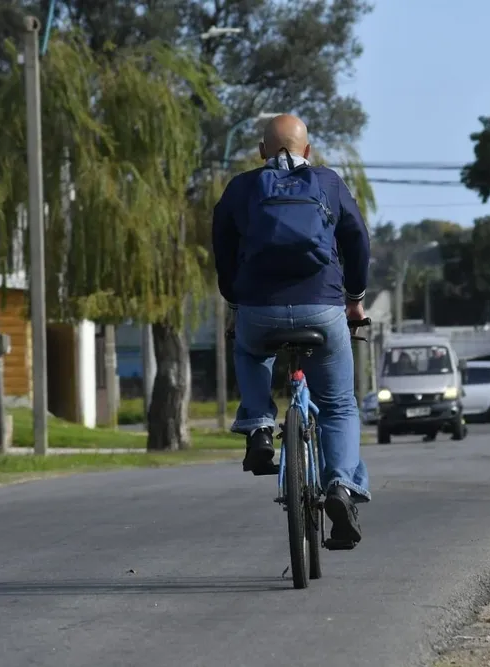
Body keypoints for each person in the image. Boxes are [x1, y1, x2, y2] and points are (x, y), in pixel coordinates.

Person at [211, 113, 371, 546]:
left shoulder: (243, 188)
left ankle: (260, 426)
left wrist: (235, 298)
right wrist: (354, 299)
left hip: (258, 308)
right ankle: (341, 487)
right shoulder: (328, 182)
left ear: (262, 152)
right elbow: (357, 239)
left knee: (248, 351)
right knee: (338, 405)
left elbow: (222, 246)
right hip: (323, 307)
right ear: (308, 150)